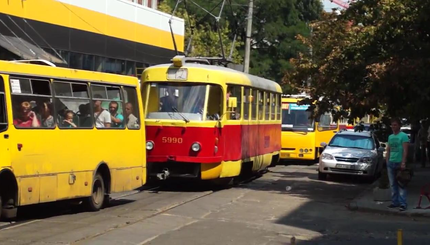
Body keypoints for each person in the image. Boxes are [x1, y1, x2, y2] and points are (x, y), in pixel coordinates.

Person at [386, 117, 410, 211]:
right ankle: (394, 202)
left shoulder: (403, 136)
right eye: (392, 125)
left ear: (399, 126)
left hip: (399, 162)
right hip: (391, 162)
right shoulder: (390, 137)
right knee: (392, 184)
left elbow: (405, 150)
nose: (393, 127)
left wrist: (403, 162)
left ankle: (403, 203)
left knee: (401, 183)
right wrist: (387, 160)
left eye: (395, 125)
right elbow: (388, 149)